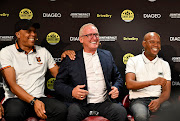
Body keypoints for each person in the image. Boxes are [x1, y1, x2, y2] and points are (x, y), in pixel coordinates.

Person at [0, 19, 75, 121]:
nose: (33, 34)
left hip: (40, 98)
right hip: (16, 99)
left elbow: (59, 75)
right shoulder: (6, 52)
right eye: (28, 31)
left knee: (61, 110)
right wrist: (33, 101)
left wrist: (66, 59)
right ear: (18, 34)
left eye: (34, 31)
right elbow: (13, 86)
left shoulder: (43, 51)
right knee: (13, 112)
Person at [54, 23, 127, 121]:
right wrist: (72, 92)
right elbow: (58, 84)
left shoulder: (107, 55)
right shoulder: (71, 59)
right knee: (72, 113)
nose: (94, 38)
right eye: (89, 35)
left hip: (104, 103)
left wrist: (116, 88)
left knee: (120, 112)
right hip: (80, 104)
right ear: (81, 39)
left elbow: (118, 77)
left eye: (96, 35)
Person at [125, 32, 171, 121]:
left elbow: (166, 92)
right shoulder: (133, 61)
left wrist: (159, 101)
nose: (156, 45)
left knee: (172, 111)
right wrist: (151, 82)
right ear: (144, 44)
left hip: (158, 99)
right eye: (152, 42)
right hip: (139, 100)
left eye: (158, 43)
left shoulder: (164, 64)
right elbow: (130, 84)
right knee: (141, 116)